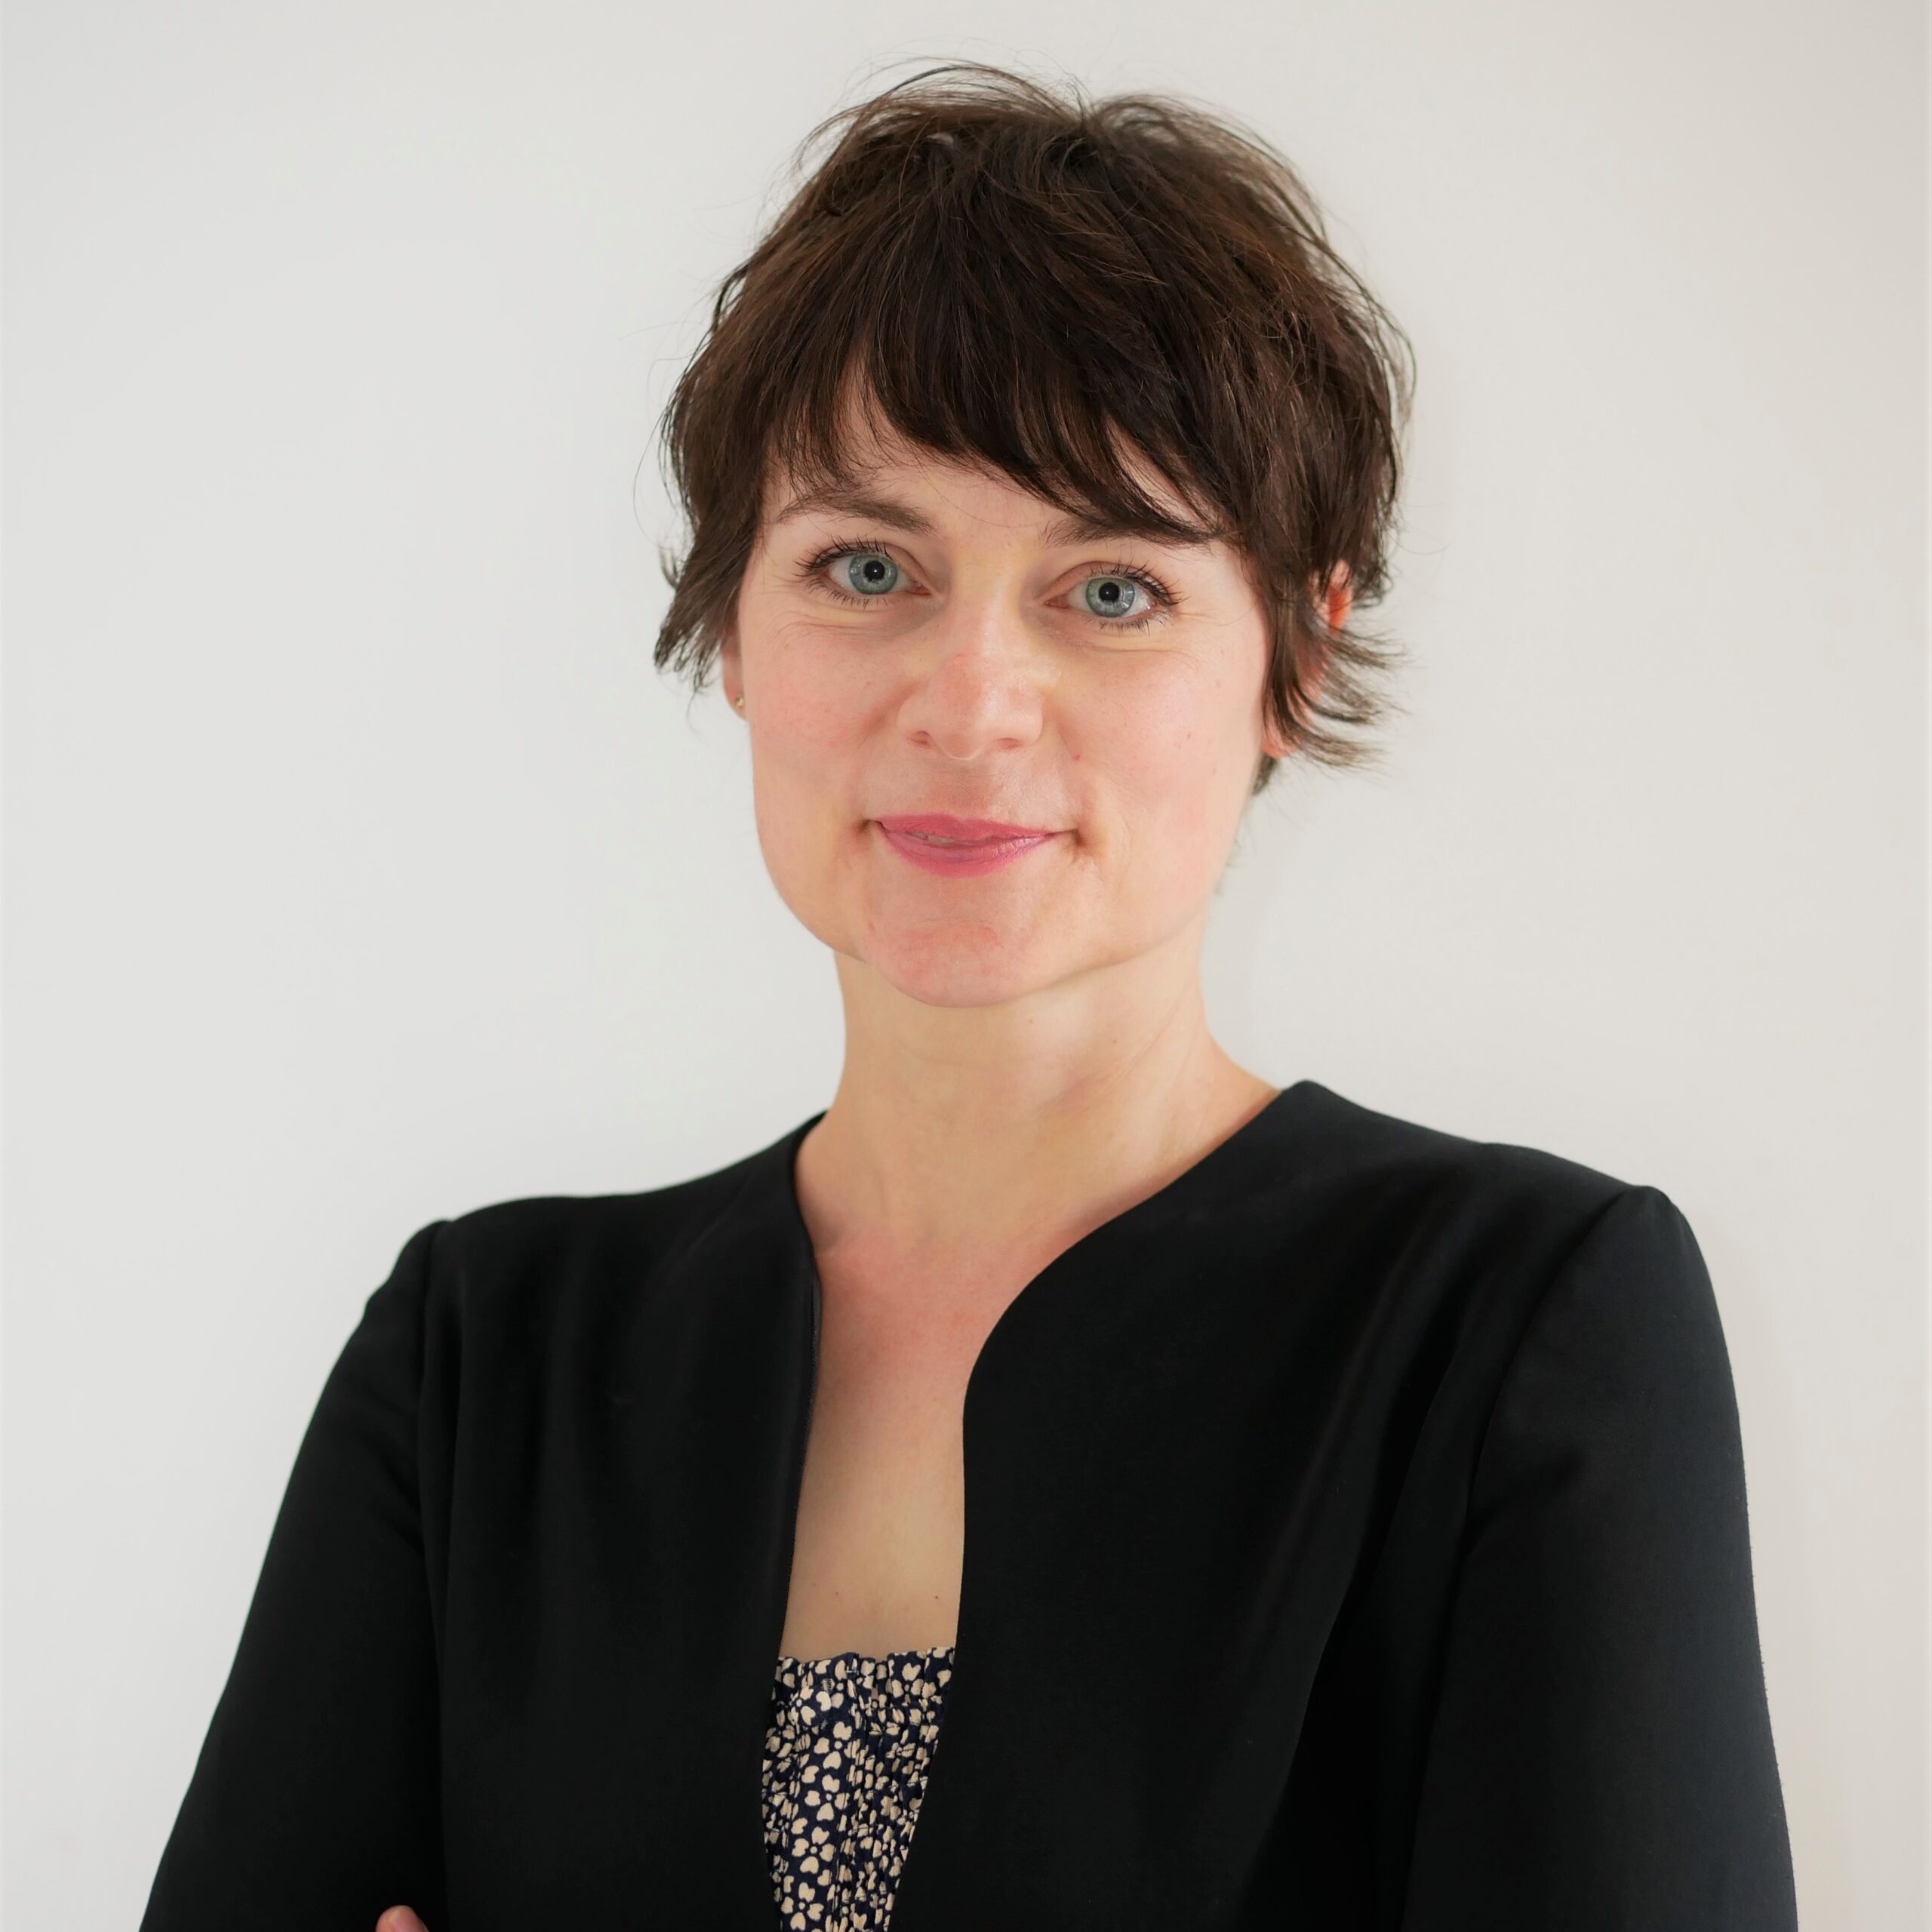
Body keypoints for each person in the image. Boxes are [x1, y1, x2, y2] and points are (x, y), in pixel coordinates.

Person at [140, 60, 1799, 1932]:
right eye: (867, 568)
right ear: (733, 634)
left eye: (1108, 590)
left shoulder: (1511, 1327)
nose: (969, 702)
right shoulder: (479, 1361)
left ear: (1290, 648)